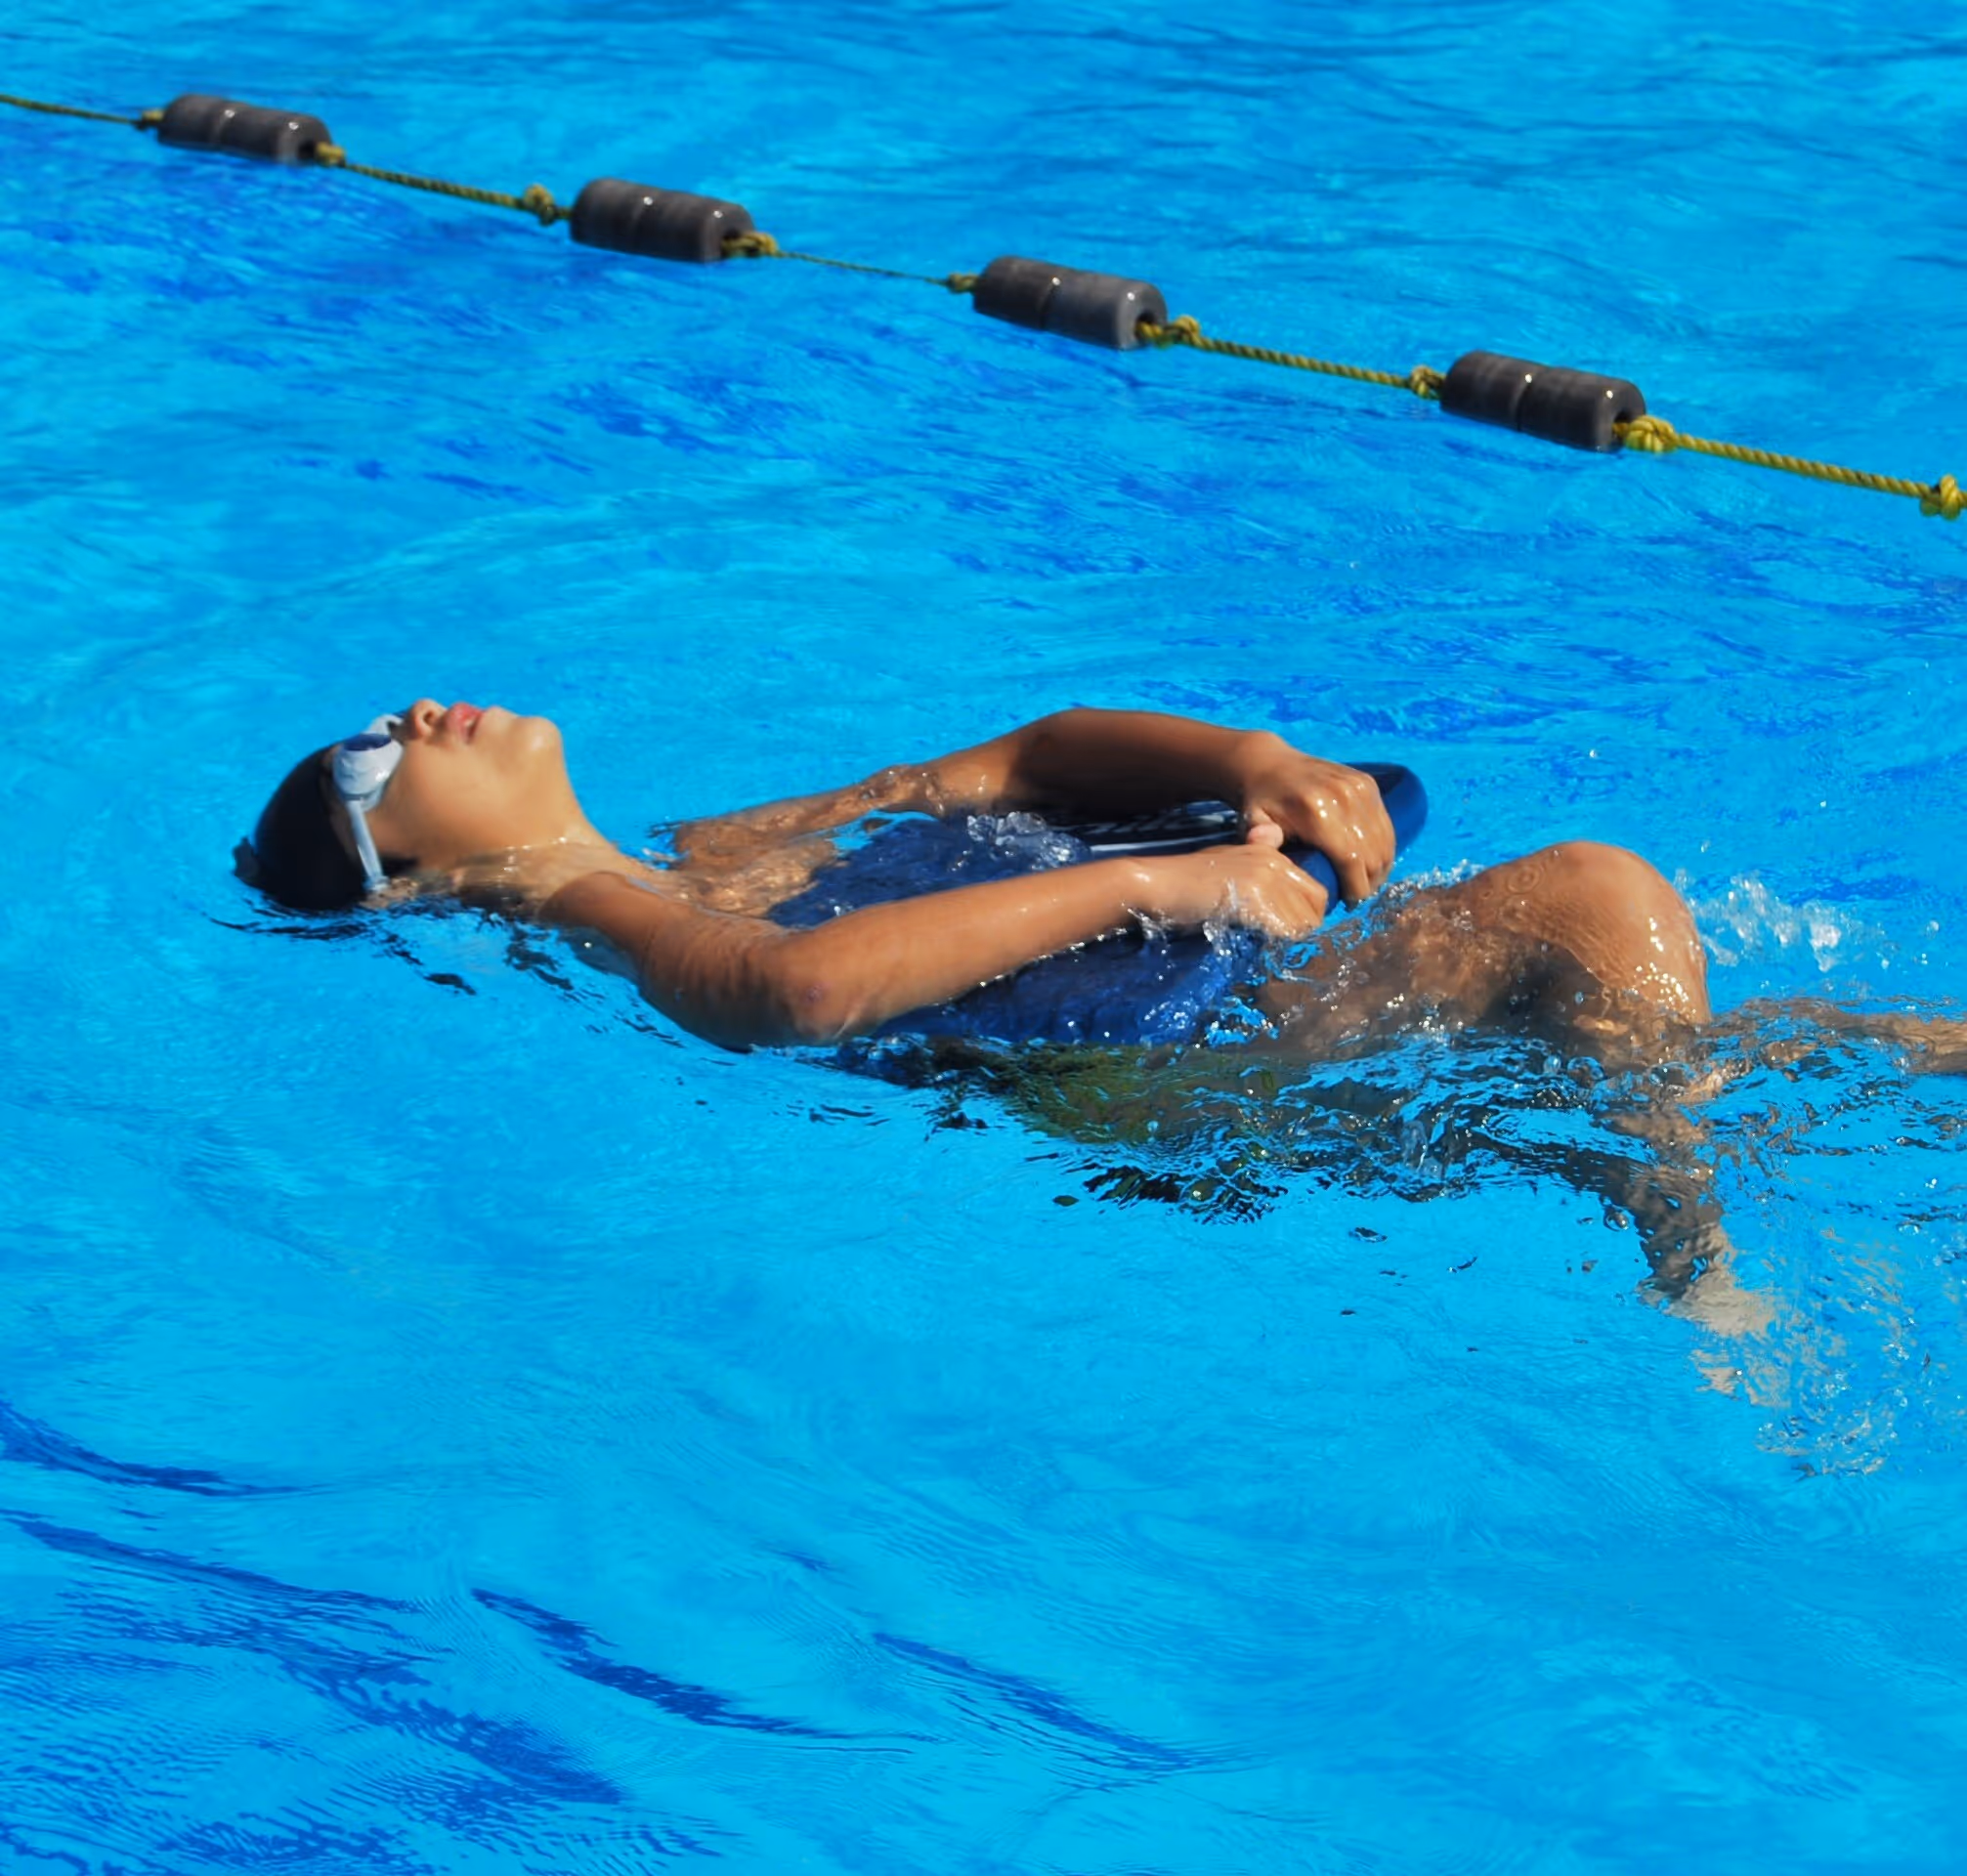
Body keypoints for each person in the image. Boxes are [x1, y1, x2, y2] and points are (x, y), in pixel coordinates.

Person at [237, 697, 1768, 1062]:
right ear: (408, 877)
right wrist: (1169, 892)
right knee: (1599, 908)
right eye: (376, 755)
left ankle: (1681, 1172)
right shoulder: (631, 923)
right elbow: (803, 990)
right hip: (1145, 1086)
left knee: (1785, 1051)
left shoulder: (721, 850)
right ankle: (1694, 1275)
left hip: (1227, 991)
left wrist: (1244, 766)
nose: (420, 716)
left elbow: (1014, 767)